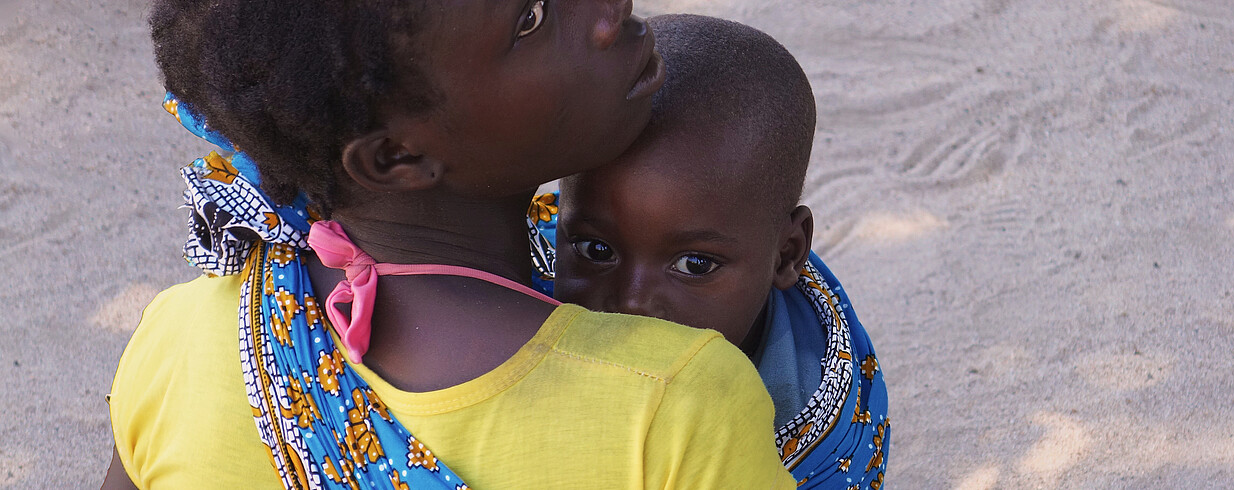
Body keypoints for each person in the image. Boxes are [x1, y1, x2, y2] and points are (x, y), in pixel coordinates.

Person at [104, 2, 794, 489]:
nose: (611, 8)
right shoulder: (675, 406)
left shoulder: (182, 338)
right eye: (530, 17)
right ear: (397, 156)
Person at [528, 15, 890, 490]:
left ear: (785, 255)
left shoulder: (828, 422)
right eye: (597, 250)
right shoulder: (518, 281)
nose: (632, 302)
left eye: (694, 265)